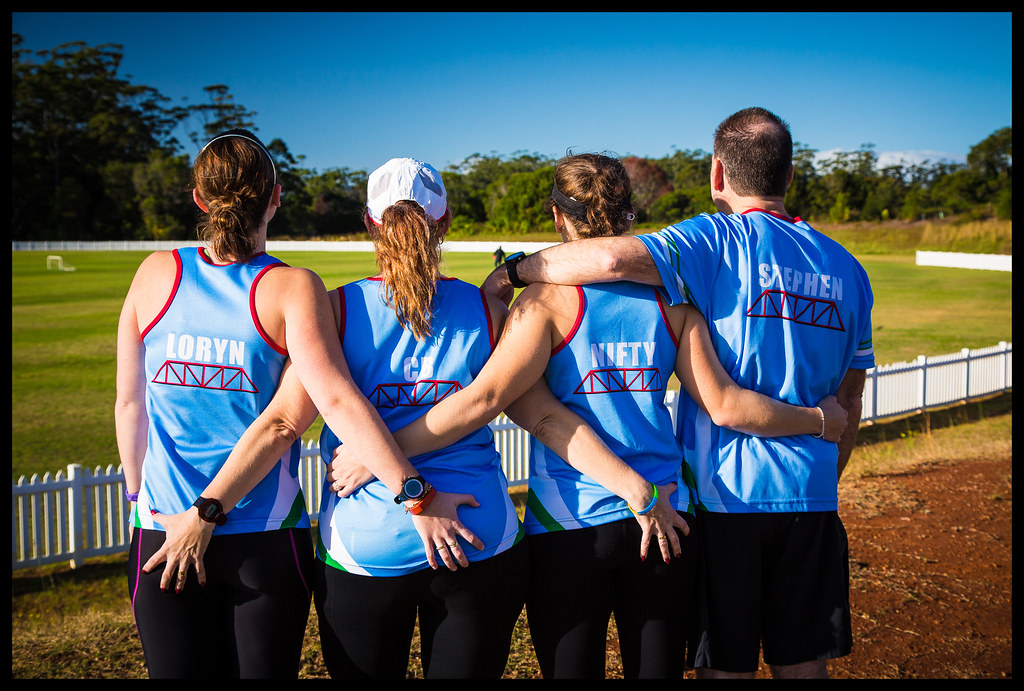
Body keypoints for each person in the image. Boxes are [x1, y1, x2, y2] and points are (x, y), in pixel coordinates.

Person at [328, 152, 848, 678]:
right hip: (668, 516)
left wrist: (380, 457)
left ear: (557, 217)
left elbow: (505, 405)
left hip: (572, 522)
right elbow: (724, 404)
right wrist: (818, 420)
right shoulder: (677, 304)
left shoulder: (541, 303)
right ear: (629, 217)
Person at [481, 108, 874, 679]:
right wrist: (818, 453)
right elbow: (850, 404)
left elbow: (613, 258)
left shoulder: (715, 239)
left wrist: (513, 273)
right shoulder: (850, 269)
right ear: (789, 176)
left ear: (718, 174)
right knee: (802, 661)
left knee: (726, 665)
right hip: (802, 497)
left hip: (722, 498)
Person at [115, 132, 478, 679]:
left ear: (198, 198)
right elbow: (290, 420)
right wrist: (415, 492)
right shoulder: (293, 288)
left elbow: (128, 404)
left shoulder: (153, 274)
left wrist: (146, 502)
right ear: (276, 198)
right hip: (261, 537)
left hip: (162, 533)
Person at [312, 158, 527, 679]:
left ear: (369, 223)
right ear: (446, 221)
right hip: (479, 535)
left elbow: (291, 417)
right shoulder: (488, 311)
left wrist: (371, 455)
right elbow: (502, 402)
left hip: (367, 541)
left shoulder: (334, 310)